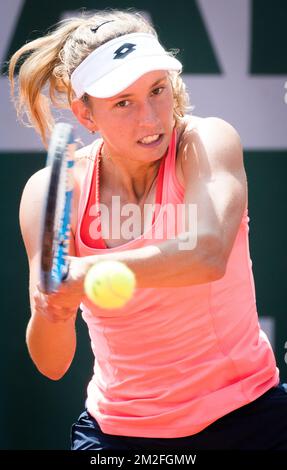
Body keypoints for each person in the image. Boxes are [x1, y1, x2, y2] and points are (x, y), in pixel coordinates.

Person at [9, 9, 287, 451]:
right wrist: (53, 310)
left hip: (247, 417)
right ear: (86, 114)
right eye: (123, 102)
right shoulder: (49, 191)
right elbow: (52, 363)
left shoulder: (206, 142)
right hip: (117, 435)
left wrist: (79, 273)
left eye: (157, 90)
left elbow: (207, 253)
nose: (151, 118)